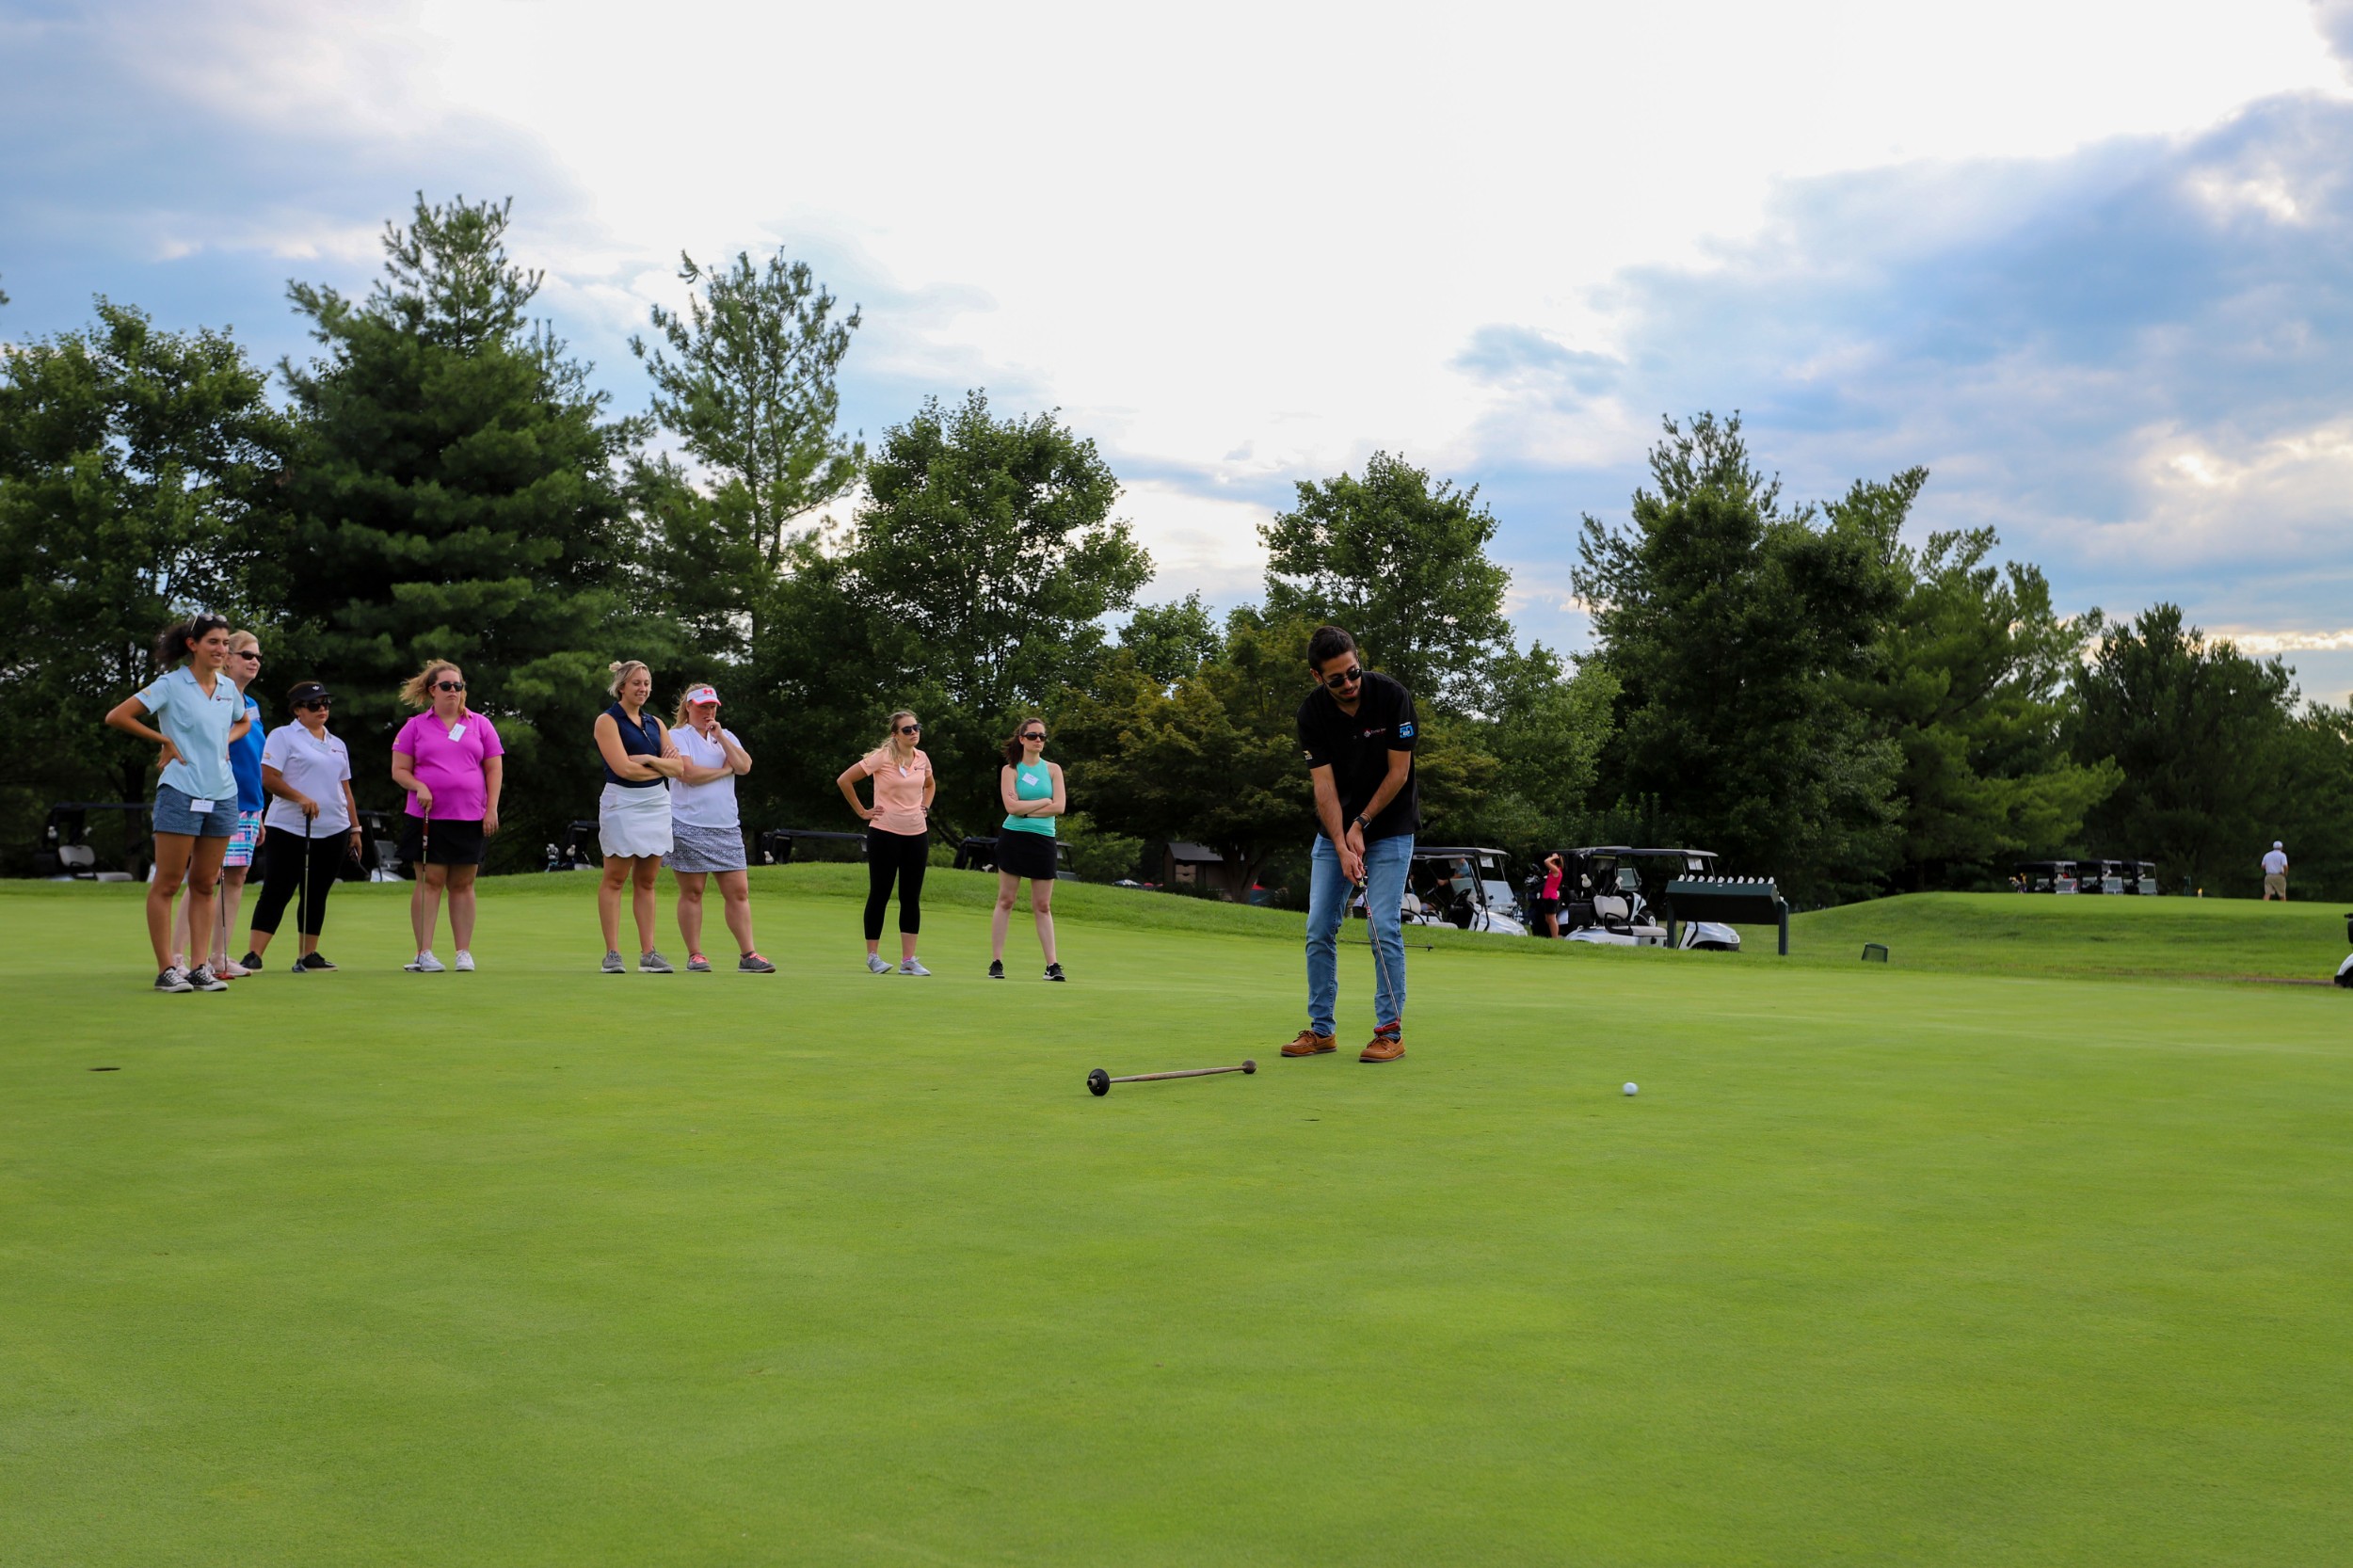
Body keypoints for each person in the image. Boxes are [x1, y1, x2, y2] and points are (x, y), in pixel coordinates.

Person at [1284, 625, 1418, 1064]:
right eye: (1336, 678)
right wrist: (1342, 844)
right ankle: (1322, 1031)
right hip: (1335, 832)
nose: (1349, 683)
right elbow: (1324, 789)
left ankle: (1389, 1033)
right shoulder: (1312, 715)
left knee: (1383, 925)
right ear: (1317, 677)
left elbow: (1398, 774)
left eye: (1353, 672)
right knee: (1319, 926)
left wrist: (1362, 823)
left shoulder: (1392, 697)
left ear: (1360, 662)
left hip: (1391, 826)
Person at [103, 614, 251, 993]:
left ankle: (200, 967)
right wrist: (164, 741)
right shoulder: (170, 684)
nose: (221, 650)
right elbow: (117, 716)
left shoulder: (227, 688)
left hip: (222, 795)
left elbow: (243, 722)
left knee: (205, 883)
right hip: (180, 791)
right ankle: (167, 968)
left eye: (224, 644)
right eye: (213, 643)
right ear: (193, 645)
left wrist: (225, 742)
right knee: (168, 883)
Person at [391, 659, 504, 973]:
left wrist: (491, 807)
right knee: (430, 881)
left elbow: (494, 768)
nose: (453, 691)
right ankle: (424, 952)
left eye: (458, 686)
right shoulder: (416, 726)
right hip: (427, 814)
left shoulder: (479, 724)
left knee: (464, 883)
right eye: (446, 686)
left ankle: (463, 952)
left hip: (470, 814)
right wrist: (418, 786)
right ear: (432, 690)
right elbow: (399, 770)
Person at [245, 680, 361, 971]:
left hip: (335, 827)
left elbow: (345, 790)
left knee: (317, 891)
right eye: (314, 705)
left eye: (325, 703)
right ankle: (254, 954)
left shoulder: (337, 744)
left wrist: (355, 828)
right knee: (277, 888)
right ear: (298, 710)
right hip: (289, 826)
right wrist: (300, 798)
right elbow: (268, 777)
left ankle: (308, 954)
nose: (322, 709)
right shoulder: (283, 736)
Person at [170, 630, 267, 977]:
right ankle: (178, 957)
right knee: (204, 877)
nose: (254, 661)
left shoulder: (251, 707)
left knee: (237, 877)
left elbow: (254, 760)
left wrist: (260, 814)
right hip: (216, 797)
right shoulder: (212, 698)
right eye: (247, 655)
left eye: (257, 657)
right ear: (228, 659)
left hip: (249, 803)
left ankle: (219, 956)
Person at [666, 682, 773, 974]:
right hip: (688, 823)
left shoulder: (725, 735)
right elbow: (687, 774)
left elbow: (745, 765)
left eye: (712, 707)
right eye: (703, 707)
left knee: (738, 892)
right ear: (689, 707)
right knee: (693, 892)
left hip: (726, 825)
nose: (708, 711)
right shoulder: (677, 736)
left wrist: (722, 738)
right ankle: (695, 954)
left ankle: (748, 954)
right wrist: (726, 770)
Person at [595, 660, 684, 973]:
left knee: (646, 881)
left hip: (657, 803)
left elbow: (679, 769)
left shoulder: (656, 723)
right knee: (615, 878)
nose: (643, 688)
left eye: (646, 683)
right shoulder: (607, 721)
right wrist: (660, 765)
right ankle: (613, 954)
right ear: (622, 687)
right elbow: (623, 769)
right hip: (622, 802)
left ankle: (648, 953)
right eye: (636, 683)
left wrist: (648, 759)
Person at [838, 710, 936, 975]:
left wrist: (925, 806)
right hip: (884, 833)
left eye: (916, 727)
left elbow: (930, 785)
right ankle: (873, 956)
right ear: (895, 735)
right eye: (907, 729)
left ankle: (908, 960)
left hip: (917, 834)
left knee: (910, 897)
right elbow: (844, 780)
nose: (914, 732)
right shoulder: (881, 758)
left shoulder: (922, 758)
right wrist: (862, 811)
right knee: (880, 894)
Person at [988, 715, 1066, 981]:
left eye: (1042, 737)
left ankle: (1052, 965)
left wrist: (1028, 809)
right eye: (1032, 736)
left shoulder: (1053, 769)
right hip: (1014, 837)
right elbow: (1011, 808)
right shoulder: (1010, 770)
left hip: (1043, 840)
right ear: (1022, 739)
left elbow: (1059, 806)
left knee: (1042, 905)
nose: (1038, 741)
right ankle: (996, 961)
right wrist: (1042, 803)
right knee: (1006, 899)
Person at [1535, 852, 1565, 938]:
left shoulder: (1556, 870)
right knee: (1548, 918)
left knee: (1552, 918)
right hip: (1547, 896)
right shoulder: (1552, 871)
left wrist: (1553, 857)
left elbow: (1546, 861)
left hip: (1551, 897)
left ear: (1554, 861)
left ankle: (1555, 937)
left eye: (1552, 859)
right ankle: (1553, 935)